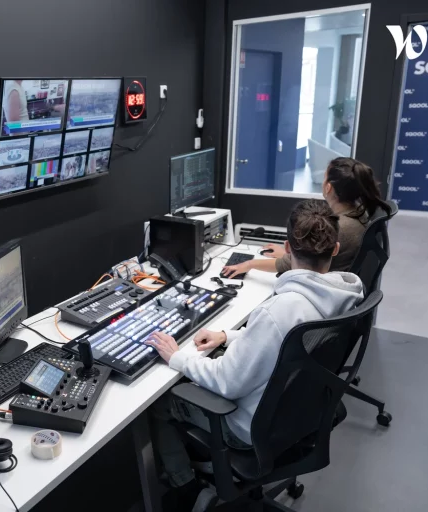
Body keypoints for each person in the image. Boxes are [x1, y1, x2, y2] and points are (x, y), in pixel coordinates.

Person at [145, 199, 364, 509]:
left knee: (159, 403)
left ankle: (187, 488)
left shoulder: (280, 309)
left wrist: (177, 357)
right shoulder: (343, 293)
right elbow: (291, 340)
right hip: (302, 412)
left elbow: (227, 382)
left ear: (286, 248)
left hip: (249, 429)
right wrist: (228, 336)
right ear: (336, 249)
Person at [223, 157, 389, 278]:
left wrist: (249, 264)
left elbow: (289, 265)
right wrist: (290, 254)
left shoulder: (340, 227)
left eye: (324, 177)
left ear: (328, 187)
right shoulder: (358, 213)